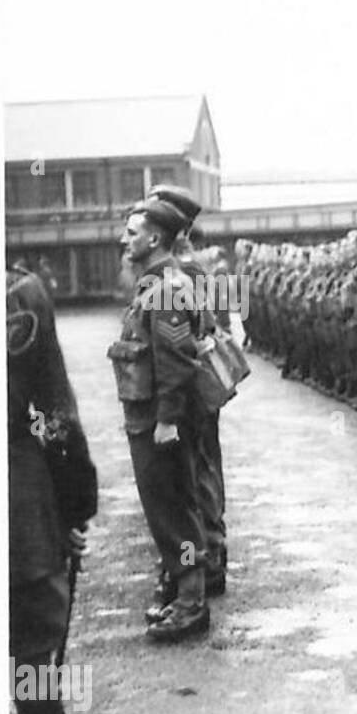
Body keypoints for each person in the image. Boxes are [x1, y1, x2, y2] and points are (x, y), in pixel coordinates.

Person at [8, 265, 96, 714]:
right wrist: (73, 507)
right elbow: (53, 410)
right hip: (21, 521)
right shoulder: (17, 295)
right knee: (36, 675)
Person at [110, 199, 212, 641]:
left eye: (132, 233)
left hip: (159, 419)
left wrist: (167, 420)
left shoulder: (166, 287)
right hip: (151, 416)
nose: (123, 239)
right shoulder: (156, 281)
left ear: (154, 238)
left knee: (173, 511)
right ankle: (185, 594)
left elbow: (175, 359)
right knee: (172, 507)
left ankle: (191, 602)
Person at [145, 184, 230, 595]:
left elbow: (206, 327)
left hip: (191, 387)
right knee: (200, 470)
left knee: (197, 476)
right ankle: (207, 557)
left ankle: (208, 559)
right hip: (195, 383)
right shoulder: (189, 268)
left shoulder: (185, 272)